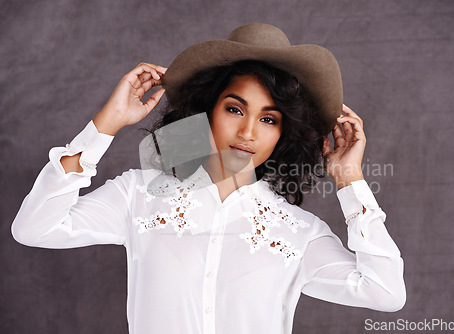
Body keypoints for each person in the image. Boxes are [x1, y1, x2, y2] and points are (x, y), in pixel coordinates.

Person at [11, 23, 405, 334]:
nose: (249, 131)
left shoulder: (299, 233)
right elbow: (34, 228)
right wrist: (106, 123)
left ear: (283, 132)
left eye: (269, 119)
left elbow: (386, 293)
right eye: (235, 109)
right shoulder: (140, 195)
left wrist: (349, 178)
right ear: (207, 111)